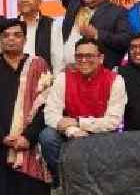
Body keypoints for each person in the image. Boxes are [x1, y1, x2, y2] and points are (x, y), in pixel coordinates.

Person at [0, 20, 52, 195]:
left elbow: (47, 105)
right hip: (4, 147)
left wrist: (28, 137)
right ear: (0, 40)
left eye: (17, 35)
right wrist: (3, 137)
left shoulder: (38, 65)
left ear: (25, 39)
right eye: (6, 35)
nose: (11, 39)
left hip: (33, 146)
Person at [39, 38, 126, 185]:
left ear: (101, 58)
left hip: (103, 136)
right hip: (71, 136)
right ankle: (65, 183)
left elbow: (113, 122)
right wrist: (72, 130)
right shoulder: (63, 78)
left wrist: (79, 122)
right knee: (47, 136)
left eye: (89, 56)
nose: (83, 60)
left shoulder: (116, 80)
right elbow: (50, 113)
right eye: (79, 56)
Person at [17, 0, 63, 73]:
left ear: (39, 1)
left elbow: (58, 60)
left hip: (43, 81)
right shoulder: (11, 26)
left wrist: (54, 82)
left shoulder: (51, 25)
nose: (24, 0)